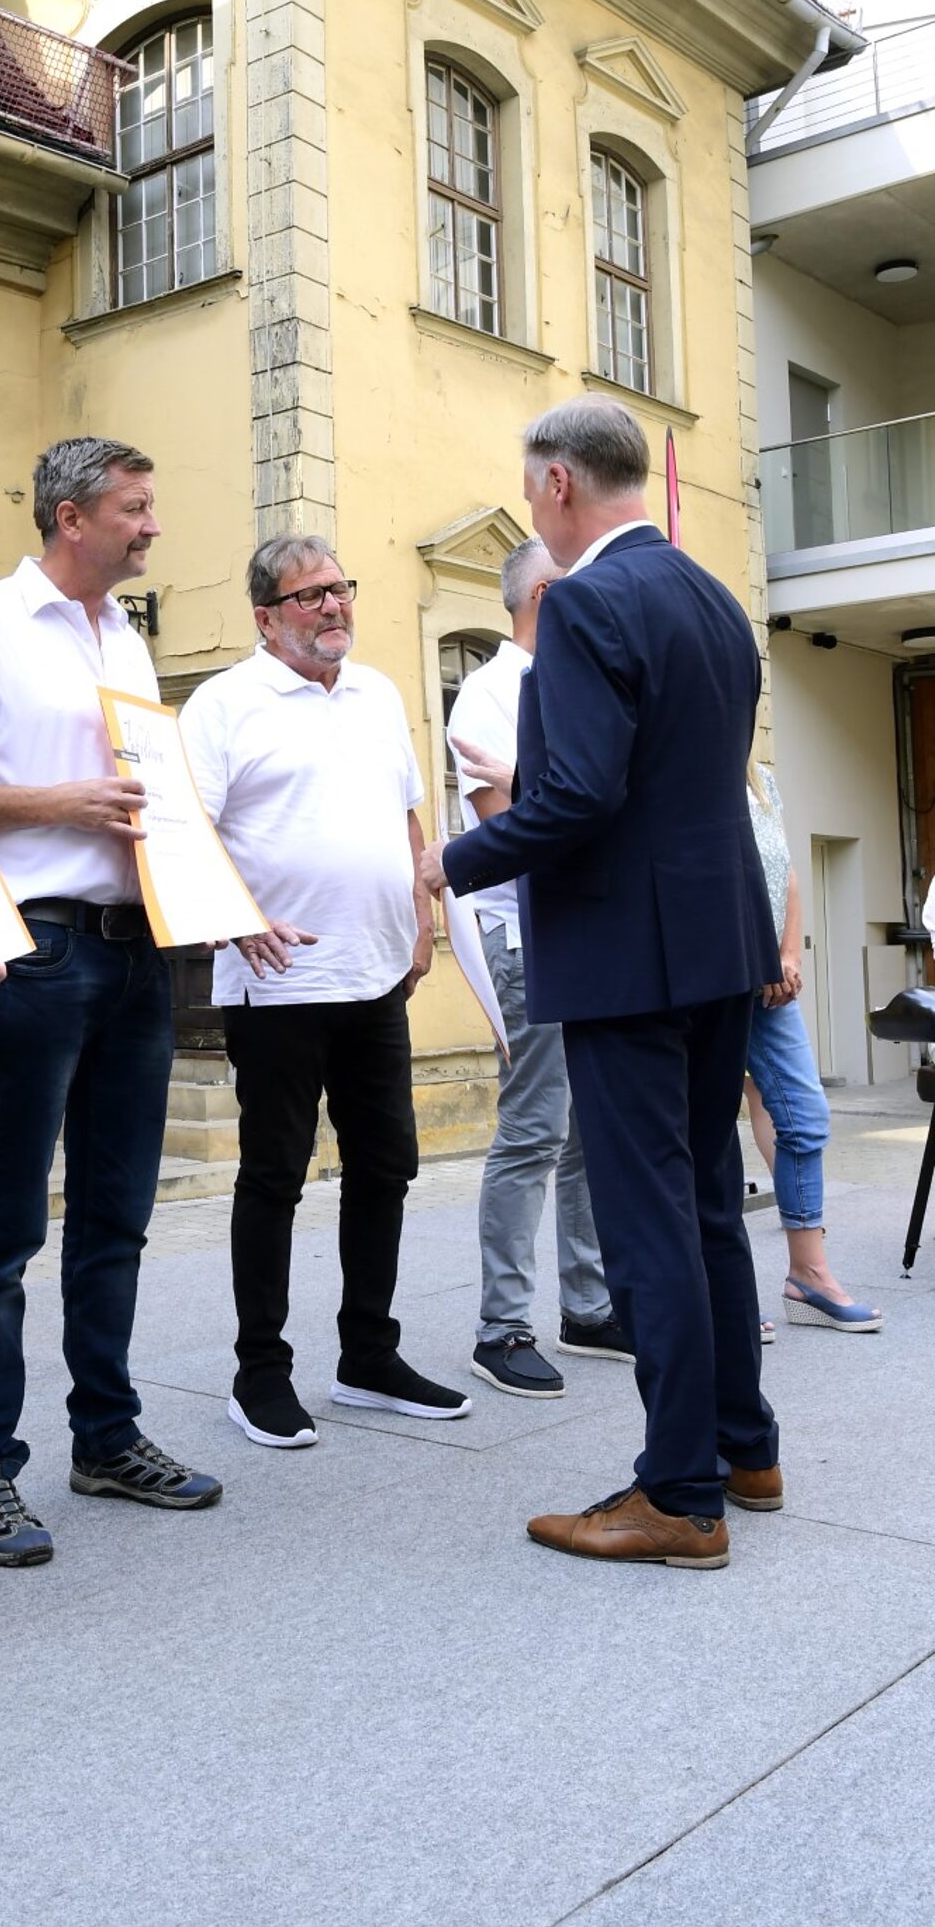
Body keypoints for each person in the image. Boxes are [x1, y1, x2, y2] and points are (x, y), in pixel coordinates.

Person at [422, 396, 782, 1570]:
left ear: (559, 486)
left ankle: (677, 1494)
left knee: (645, 1226)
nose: (535, 507)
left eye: (532, 491)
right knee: (707, 1206)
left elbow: (576, 797)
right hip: (717, 942)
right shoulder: (711, 596)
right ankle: (743, 1448)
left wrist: (450, 860)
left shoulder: (579, 602)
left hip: (629, 955)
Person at [0, 437, 221, 1567]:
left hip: (138, 949)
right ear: (68, 515)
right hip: (37, 950)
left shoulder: (124, 640)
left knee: (116, 1216)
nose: (150, 528)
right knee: (2, 1226)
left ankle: (105, 1436)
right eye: (134, 509)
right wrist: (58, 800)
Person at [180, 535, 470, 1449]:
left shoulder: (380, 693)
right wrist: (235, 918)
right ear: (266, 617)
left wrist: (423, 910)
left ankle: (368, 1357)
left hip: (375, 971)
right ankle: (259, 1373)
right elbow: (185, 829)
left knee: (386, 1168)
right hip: (278, 981)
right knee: (273, 1177)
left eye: (340, 589)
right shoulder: (225, 703)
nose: (334, 606)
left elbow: (407, 809)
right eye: (310, 596)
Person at [446, 536, 627, 1398]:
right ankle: (501, 1325)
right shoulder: (490, 692)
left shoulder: (574, 680)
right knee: (534, 1129)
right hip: (525, 936)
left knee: (588, 1131)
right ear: (549, 595)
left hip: (587, 930)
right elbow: (514, 825)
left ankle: (588, 1306)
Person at [744, 760, 881, 1332]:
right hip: (715, 975)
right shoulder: (681, 757)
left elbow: (785, 872)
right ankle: (714, 1294)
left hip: (771, 982)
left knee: (805, 1117)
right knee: (695, 1131)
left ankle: (808, 1274)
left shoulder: (761, 778)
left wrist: (790, 952)